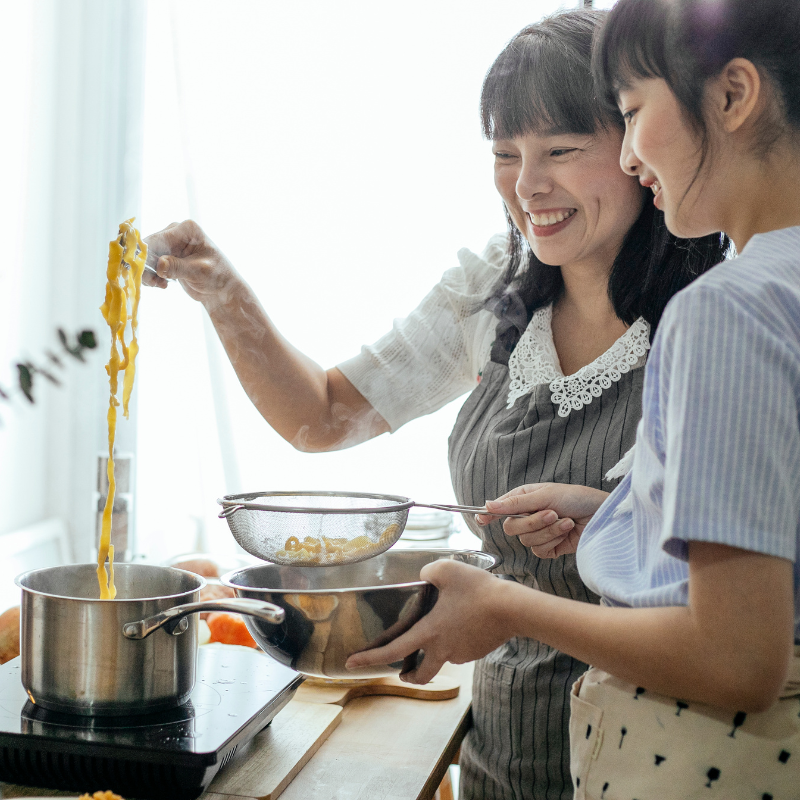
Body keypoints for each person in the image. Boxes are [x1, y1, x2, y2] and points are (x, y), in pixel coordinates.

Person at [144, 10, 725, 799]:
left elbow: (741, 612)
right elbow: (324, 415)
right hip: (502, 755)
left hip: (663, 763)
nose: (527, 186)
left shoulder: (719, 315)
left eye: (560, 150)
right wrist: (222, 291)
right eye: (504, 154)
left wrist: (607, 520)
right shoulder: (493, 290)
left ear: (637, 146)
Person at [347, 1, 800, 798]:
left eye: (633, 112)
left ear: (733, 96)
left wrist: (507, 607)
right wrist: (624, 514)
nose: (629, 155)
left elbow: (737, 660)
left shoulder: (728, 307)